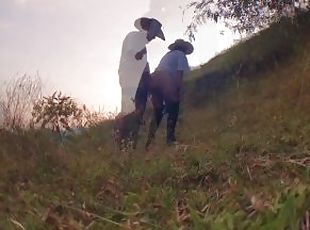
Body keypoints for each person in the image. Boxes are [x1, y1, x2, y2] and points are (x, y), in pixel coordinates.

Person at [145, 39, 194, 149]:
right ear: (184, 48)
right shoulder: (181, 55)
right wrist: (177, 91)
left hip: (154, 78)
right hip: (165, 78)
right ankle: (170, 139)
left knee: (158, 111)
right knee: (174, 105)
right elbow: (179, 75)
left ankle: (149, 142)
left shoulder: (168, 55)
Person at [118, 17, 165, 116]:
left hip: (136, 77)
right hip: (131, 77)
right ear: (146, 29)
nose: (154, 38)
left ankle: (131, 128)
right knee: (132, 107)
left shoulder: (140, 42)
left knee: (138, 107)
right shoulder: (133, 36)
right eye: (153, 35)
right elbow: (136, 56)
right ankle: (124, 128)